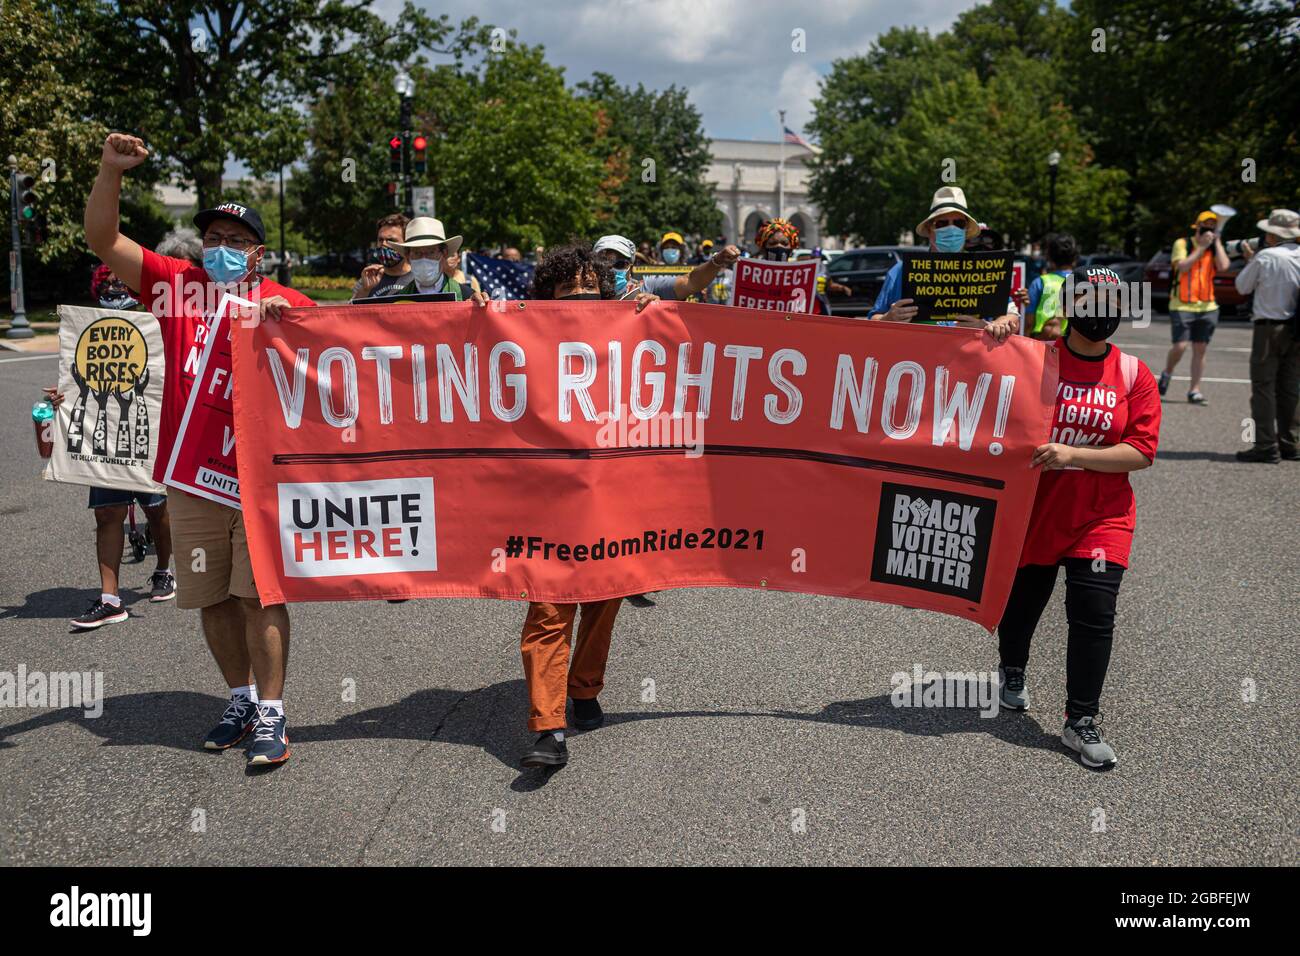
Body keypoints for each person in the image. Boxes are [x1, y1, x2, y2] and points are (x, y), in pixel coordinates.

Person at [85, 132, 315, 766]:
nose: (220, 251)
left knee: (257, 595)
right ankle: (238, 697)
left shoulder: (289, 305)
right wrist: (111, 170)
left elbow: (363, 356)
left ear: (259, 254)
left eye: (236, 244)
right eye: (213, 240)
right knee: (209, 597)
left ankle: (272, 712)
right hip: (190, 478)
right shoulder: (176, 288)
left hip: (258, 480)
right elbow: (104, 241)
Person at [996, 266, 1161, 769]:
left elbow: (1141, 451)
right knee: (1024, 605)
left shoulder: (1134, 374)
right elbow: (970, 383)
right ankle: (1012, 669)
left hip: (1101, 516)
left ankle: (1081, 720)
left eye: (1112, 302)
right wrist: (996, 329)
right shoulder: (1032, 359)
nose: (1102, 313)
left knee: (1094, 613)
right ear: (1069, 307)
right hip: (1036, 511)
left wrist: (1073, 455)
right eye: (1091, 302)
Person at [518, 241, 658, 769]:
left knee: (604, 598)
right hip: (548, 498)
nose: (579, 295)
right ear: (546, 296)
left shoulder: (631, 331)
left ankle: (583, 687)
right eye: (566, 288)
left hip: (612, 495)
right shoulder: (522, 337)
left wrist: (653, 318)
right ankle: (548, 725)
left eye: (589, 286)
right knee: (550, 608)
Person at [49, 264, 176, 630]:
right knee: (107, 514)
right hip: (103, 438)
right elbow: (78, 372)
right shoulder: (86, 327)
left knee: (156, 509)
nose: (114, 287)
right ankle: (110, 598)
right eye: (107, 282)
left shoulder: (157, 322)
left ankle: (164, 569)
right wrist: (64, 397)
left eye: (121, 281)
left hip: (144, 430)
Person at [869, 186, 1020, 334]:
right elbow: (872, 320)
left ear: (966, 229)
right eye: (942, 223)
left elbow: (1011, 315)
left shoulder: (984, 268)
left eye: (958, 223)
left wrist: (991, 325)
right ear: (929, 229)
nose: (951, 228)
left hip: (968, 356)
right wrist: (888, 318)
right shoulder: (901, 270)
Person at [1234, 209, 1300, 463]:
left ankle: (1265, 445)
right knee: (1290, 387)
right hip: (1296, 328)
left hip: (1267, 328)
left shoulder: (1266, 257)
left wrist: (1251, 260)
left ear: (1273, 234)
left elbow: (1242, 286)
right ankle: (1291, 443)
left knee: (1264, 387)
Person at [1158, 210, 1230, 404]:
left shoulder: (1214, 246)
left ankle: (1194, 390)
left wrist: (1217, 243)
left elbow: (1223, 266)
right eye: (1205, 226)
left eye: (1212, 227)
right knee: (1180, 346)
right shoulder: (1183, 244)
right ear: (1196, 226)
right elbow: (1182, 266)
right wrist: (1201, 247)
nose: (1208, 229)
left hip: (1208, 305)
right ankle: (1167, 372)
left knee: (1200, 349)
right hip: (1182, 304)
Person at [592, 234, 740, 303]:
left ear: (630, 268)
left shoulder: (647, 288)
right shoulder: (581, 292)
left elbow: (691, 282)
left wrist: (717, 261)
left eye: (619, 264)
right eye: (604, 263)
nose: (611, 269)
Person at [1024, 232, 1079, 340]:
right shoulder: (1081, 283)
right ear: (1074, 258)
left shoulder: (1040, 282)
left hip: (1042, 342)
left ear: (1049, 258)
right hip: (1072, 344)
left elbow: (1029, 321)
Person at [351, 213, 411, 300]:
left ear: (406, 243)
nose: (384, 244)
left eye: (391, 240)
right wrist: (365, 290)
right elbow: (350, 312)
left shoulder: (419, 278)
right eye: (380, 240)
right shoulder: (369, 278)